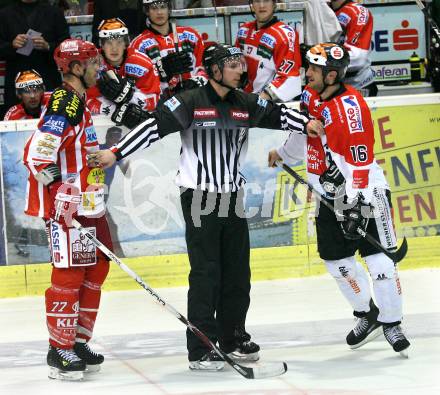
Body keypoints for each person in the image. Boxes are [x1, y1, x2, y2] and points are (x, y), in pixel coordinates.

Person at [89, 43, 323, 371]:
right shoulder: (190, 102)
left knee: (238, 272)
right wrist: (116, 151)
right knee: (206, 272)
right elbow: (151, 127)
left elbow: (279, 113)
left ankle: (233, 336)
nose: (240, 70)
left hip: (232, 198)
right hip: (199, 197)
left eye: (240, 64)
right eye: (232, 65)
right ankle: (201, 347)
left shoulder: (245, 103)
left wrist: (307, 123)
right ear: (214, 70)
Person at [268, 43, 410, 357]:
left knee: (380, 261)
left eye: (314, 70)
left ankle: (391, 322)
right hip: (328, 194)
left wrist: (357, 203)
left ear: (331, 74)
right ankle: (367, 314)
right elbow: (303, 133)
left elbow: (361, 161)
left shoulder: (350, 108)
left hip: (364, 191)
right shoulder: (310, 96)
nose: (308, 74)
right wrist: (283, 154)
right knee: (336, 261)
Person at [23, 38, 114, 381]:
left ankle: (77, 341)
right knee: (70, 274)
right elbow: (36, 157)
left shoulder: (81, 101)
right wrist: (59, 187)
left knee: (98, 268)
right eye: (92, 63)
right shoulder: (65, 103)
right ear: (76, 68)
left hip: (89, 204)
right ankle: (58, 347)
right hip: (67, 208)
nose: (98, 68)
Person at [0, 0, 70, 117]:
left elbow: (67, 46)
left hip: (48, 78)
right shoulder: (4, 14)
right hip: (16, 82)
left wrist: (48, 46)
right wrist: (12, 45)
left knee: (55, 121)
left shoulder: (54, 12)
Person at [129, 0, 208, 98]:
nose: (159, 12)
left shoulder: (191, 35)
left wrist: (194, 82)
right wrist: (160, 72)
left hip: (194, 98)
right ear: (147, 11)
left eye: (163, 7)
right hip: (161, 105)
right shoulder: (138, 44)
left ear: (169, 9)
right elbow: (136, 84)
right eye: (154, 8)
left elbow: (206, 68)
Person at [87, 17, 161, 115]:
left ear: (125, 43)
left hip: (137, 118)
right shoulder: (92, 65)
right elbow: (87, 99)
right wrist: (112, 110)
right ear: (102, 45)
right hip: (103, 120)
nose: (114, 48)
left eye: (119, 42)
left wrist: (129, 96)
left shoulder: (142, 63)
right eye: (109, 43)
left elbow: (154, 99)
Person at [234, 0, 302, 102]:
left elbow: (290, 78)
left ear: (274, 4)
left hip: (272, 103)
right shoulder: (243, 31)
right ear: (252, 4)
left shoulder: (284, 34)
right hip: (247, 98)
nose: (261, 5)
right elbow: (237, 67)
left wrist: (259, 100)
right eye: (257, 1)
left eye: (266, 0)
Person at [329, 0, 377, 96]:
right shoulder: (320, 10)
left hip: (358, 85)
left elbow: (358, 58)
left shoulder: (358, 11)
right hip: (330, 86)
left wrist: (322, 59)